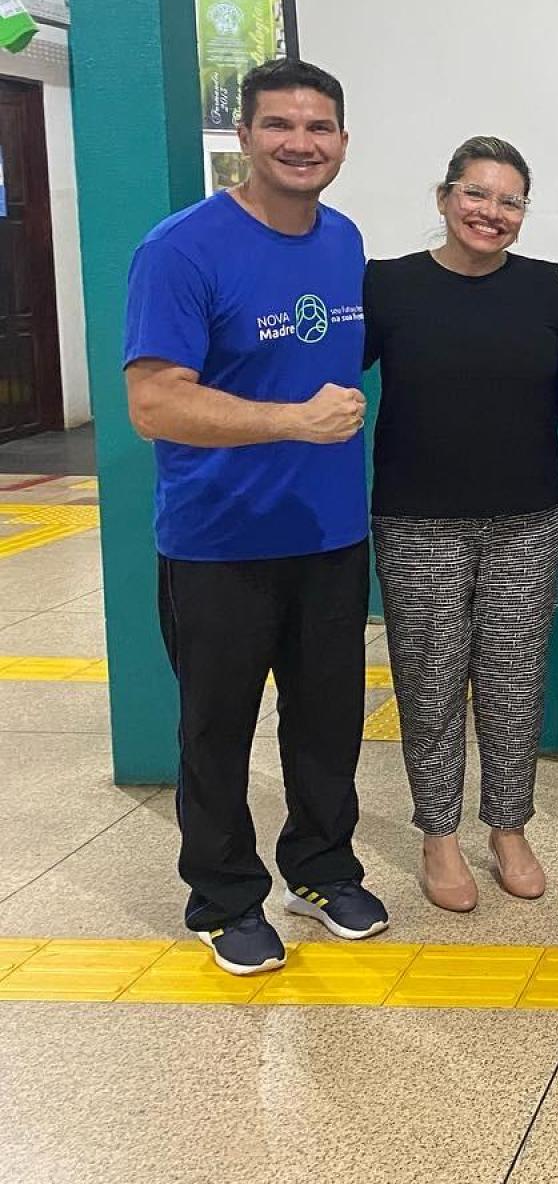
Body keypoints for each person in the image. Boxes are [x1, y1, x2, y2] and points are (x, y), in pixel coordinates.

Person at [123, 58, 387, 976]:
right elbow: (154, 404)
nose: (301, 144)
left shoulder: (344, 239)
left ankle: (320, 866)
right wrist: (293, 423)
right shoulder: (180, 249)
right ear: (245, 136)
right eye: (281, 126)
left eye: (320, 129)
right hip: (217, 544)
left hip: (327, 538)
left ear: (343, 143)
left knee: (327, 724)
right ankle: (223, 895)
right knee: (217, 728)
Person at [363, 136, 558, 912]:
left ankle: (509, 827)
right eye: (477, 194)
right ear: (445, 197)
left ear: (523, 212)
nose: (491, 212)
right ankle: (438, 836)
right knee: (428, 684)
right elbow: (324, 378)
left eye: (509, 201)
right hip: (417, 518)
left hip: (529, 515)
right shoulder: (389, 287)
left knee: (514, 682)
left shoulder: (549, 289)